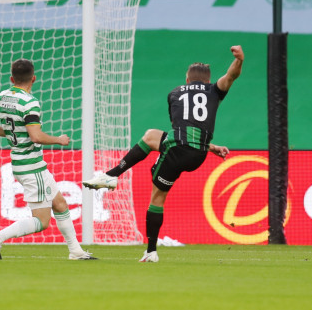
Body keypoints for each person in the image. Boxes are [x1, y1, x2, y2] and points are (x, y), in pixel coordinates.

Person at [83, 45, 244, 262]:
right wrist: (239, 60)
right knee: (153, 139)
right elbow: (231, 75)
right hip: (198, 154)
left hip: (177, 150)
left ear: (187, 79)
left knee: (156, 191)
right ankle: (112, 179)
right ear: (208, 81)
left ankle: (113, 178)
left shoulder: (175, 93)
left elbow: (180, 130)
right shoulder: (214, 90)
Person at [0, 59, 96, 260]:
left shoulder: (1, 98)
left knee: (60, 204)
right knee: (41, 221)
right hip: (31, 165)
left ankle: (75, 251)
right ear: (33, 78)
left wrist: (10, 134)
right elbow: (36, 136)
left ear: (11, 78)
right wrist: (59, 140)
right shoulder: (30, 102)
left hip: (23, 164)